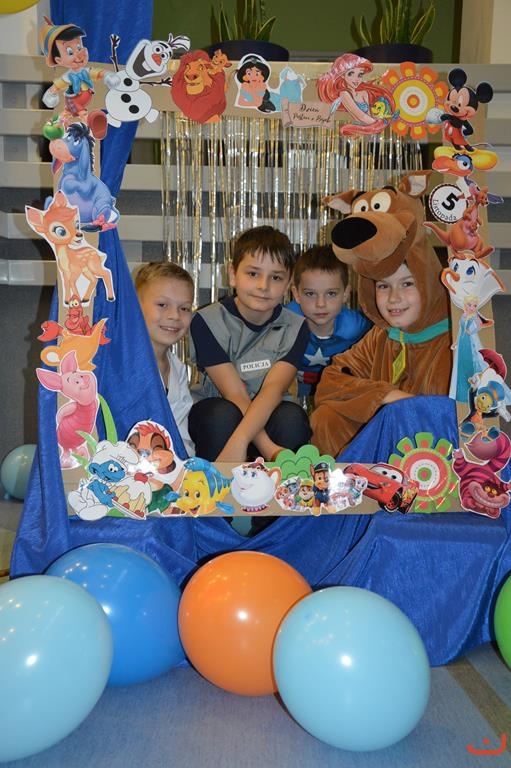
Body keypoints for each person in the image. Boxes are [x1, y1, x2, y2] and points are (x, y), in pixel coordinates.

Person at [188, 225, 311, 465]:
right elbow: (234, 393)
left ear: (288, 284)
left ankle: (286, 485)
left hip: (269, 414)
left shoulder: (296, 327)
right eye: (253, 274)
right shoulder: (206, 321)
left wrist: (248, 442)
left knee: (291, 418)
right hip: (223, 414)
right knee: (221, 415)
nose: (263, 286)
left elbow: (273, 389)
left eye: (276, 277)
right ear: (233, 274)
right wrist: (262, 447)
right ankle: (213, 484)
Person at [311, 255, 453, 457]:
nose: (394, 297)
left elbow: (452, 416)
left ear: (429, 284)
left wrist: (406, 407)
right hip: (382, 453)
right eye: (383, 286)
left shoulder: (453, 342)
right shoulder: (381, 335)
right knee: (327, 418)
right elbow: (330, 381)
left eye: (407, 283)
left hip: (433, 455)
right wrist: (385, 396)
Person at [287, 245, 371, 398]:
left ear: (345, 294)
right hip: (292, 387)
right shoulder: (286, 320)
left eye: (331, 293)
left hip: (338, 389)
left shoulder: (356, 326)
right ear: (296, 294)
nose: (320, 304)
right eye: (310, 294)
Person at [135, 262, 195, 457]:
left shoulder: (177, 369)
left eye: (184, 308)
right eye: (162, 305)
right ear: (135, 306)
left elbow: (181, 434)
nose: (175, 316)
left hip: (167, 466)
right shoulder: (123, 368)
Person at [317, 53, 396, 137]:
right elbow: (360, 116)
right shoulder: (344, 94)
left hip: (367, 131)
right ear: (342, 75)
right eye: (351, 74)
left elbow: (369, 114)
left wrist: (379, 124)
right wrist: (379, 124)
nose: (356, 79)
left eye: (360, 75)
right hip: (358, 130)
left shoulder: (364, 93)